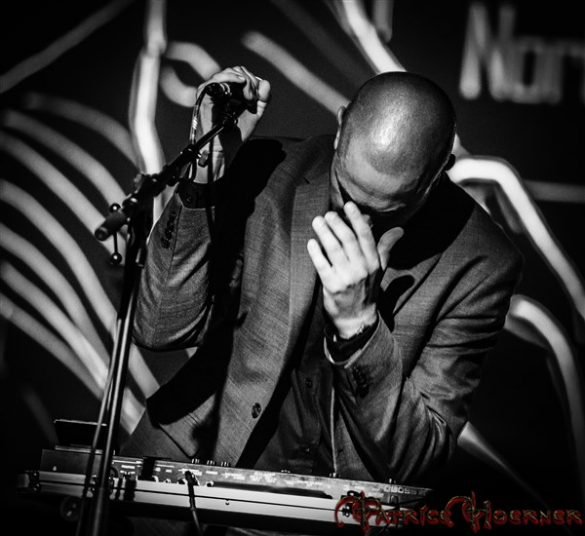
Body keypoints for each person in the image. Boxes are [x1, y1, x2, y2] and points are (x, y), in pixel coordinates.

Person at [123, 66, 523, 535]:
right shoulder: (268, 172)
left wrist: (360, 327)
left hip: (336, 513)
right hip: (190, 461)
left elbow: (416, 462)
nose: (357, 220)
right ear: (340, 125)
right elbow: (159, 327)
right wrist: (204, 180)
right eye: (346, 191)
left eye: (385, 211)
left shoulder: (480, 263)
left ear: (439, 173)